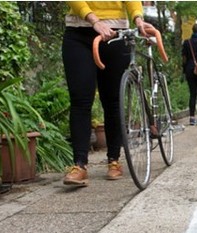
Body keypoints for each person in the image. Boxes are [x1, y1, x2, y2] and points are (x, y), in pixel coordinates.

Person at [61, 1, 152, 186]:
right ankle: (79, 165)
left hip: (115, 34)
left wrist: (138, 18)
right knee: (80, 100)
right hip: (79, 33)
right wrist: (93, 19)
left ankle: (114, 160)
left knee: (112, 101)